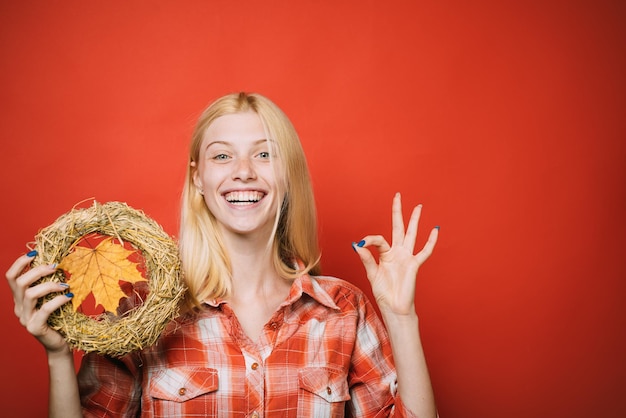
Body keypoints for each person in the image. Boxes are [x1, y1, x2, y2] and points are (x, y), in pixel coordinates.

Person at [6, 92, 439, 417]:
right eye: (222, 155)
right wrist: (59, 356)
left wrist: (402, 319)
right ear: (198, 177)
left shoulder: (344, 311)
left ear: (288, 174)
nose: (244, 171)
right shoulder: (141, 315)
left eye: (265, 154)